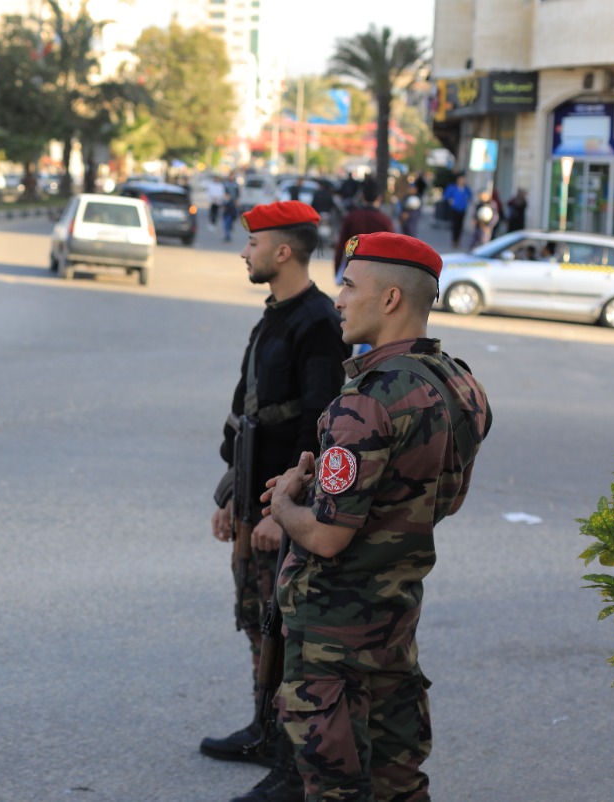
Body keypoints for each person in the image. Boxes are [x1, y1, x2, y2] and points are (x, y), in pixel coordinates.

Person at [263, 232, 492, 802]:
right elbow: (436, 495)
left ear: (391, 299)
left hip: (333, 636)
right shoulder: (458, 383)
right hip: (394, 620)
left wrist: (287, 501)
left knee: (337, 787)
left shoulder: (365, 400)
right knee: (400, 784)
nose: (337, 298)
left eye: (348, 285)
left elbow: (327, 536)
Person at [205, 200, 349, 802]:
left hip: (280, 511)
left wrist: (274, 512)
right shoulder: (273, 315)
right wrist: (231, 493)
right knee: (254, 622)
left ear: (282, 251)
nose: (244, 251)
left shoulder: (316, 321)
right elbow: (249, 414)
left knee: (283, 631)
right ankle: (266, 732)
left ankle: (291, 766)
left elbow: (316, 425)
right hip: (251, 501)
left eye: (254, 243)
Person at [334, 179, 394, 282]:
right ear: (379, 199)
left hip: (353, 269)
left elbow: (341, 246)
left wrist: (337, 270)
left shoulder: (352, 217)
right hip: (377, 273)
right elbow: (392, 249)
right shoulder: (384, 220)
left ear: (361, 197)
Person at [442, 174, 473, 250]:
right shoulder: (453, 187)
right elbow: (446, 196)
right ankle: (454, 240)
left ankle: (458, 240)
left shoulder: (466, 189)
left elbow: (470, 196)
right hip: (455, 208)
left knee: (460, 225)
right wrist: (451, 201)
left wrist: (467, 201)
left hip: (462, 209)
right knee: (455, 224)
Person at [222, 173, 242, 243]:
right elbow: (223, 193)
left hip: (233, 204)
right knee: (226, 220)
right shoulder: (225, 184)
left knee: (232, 218)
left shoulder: (235, 185)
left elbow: (238, 193)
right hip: (227, 204)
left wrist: (236, 201)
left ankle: (230, 228)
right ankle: (227, 235)